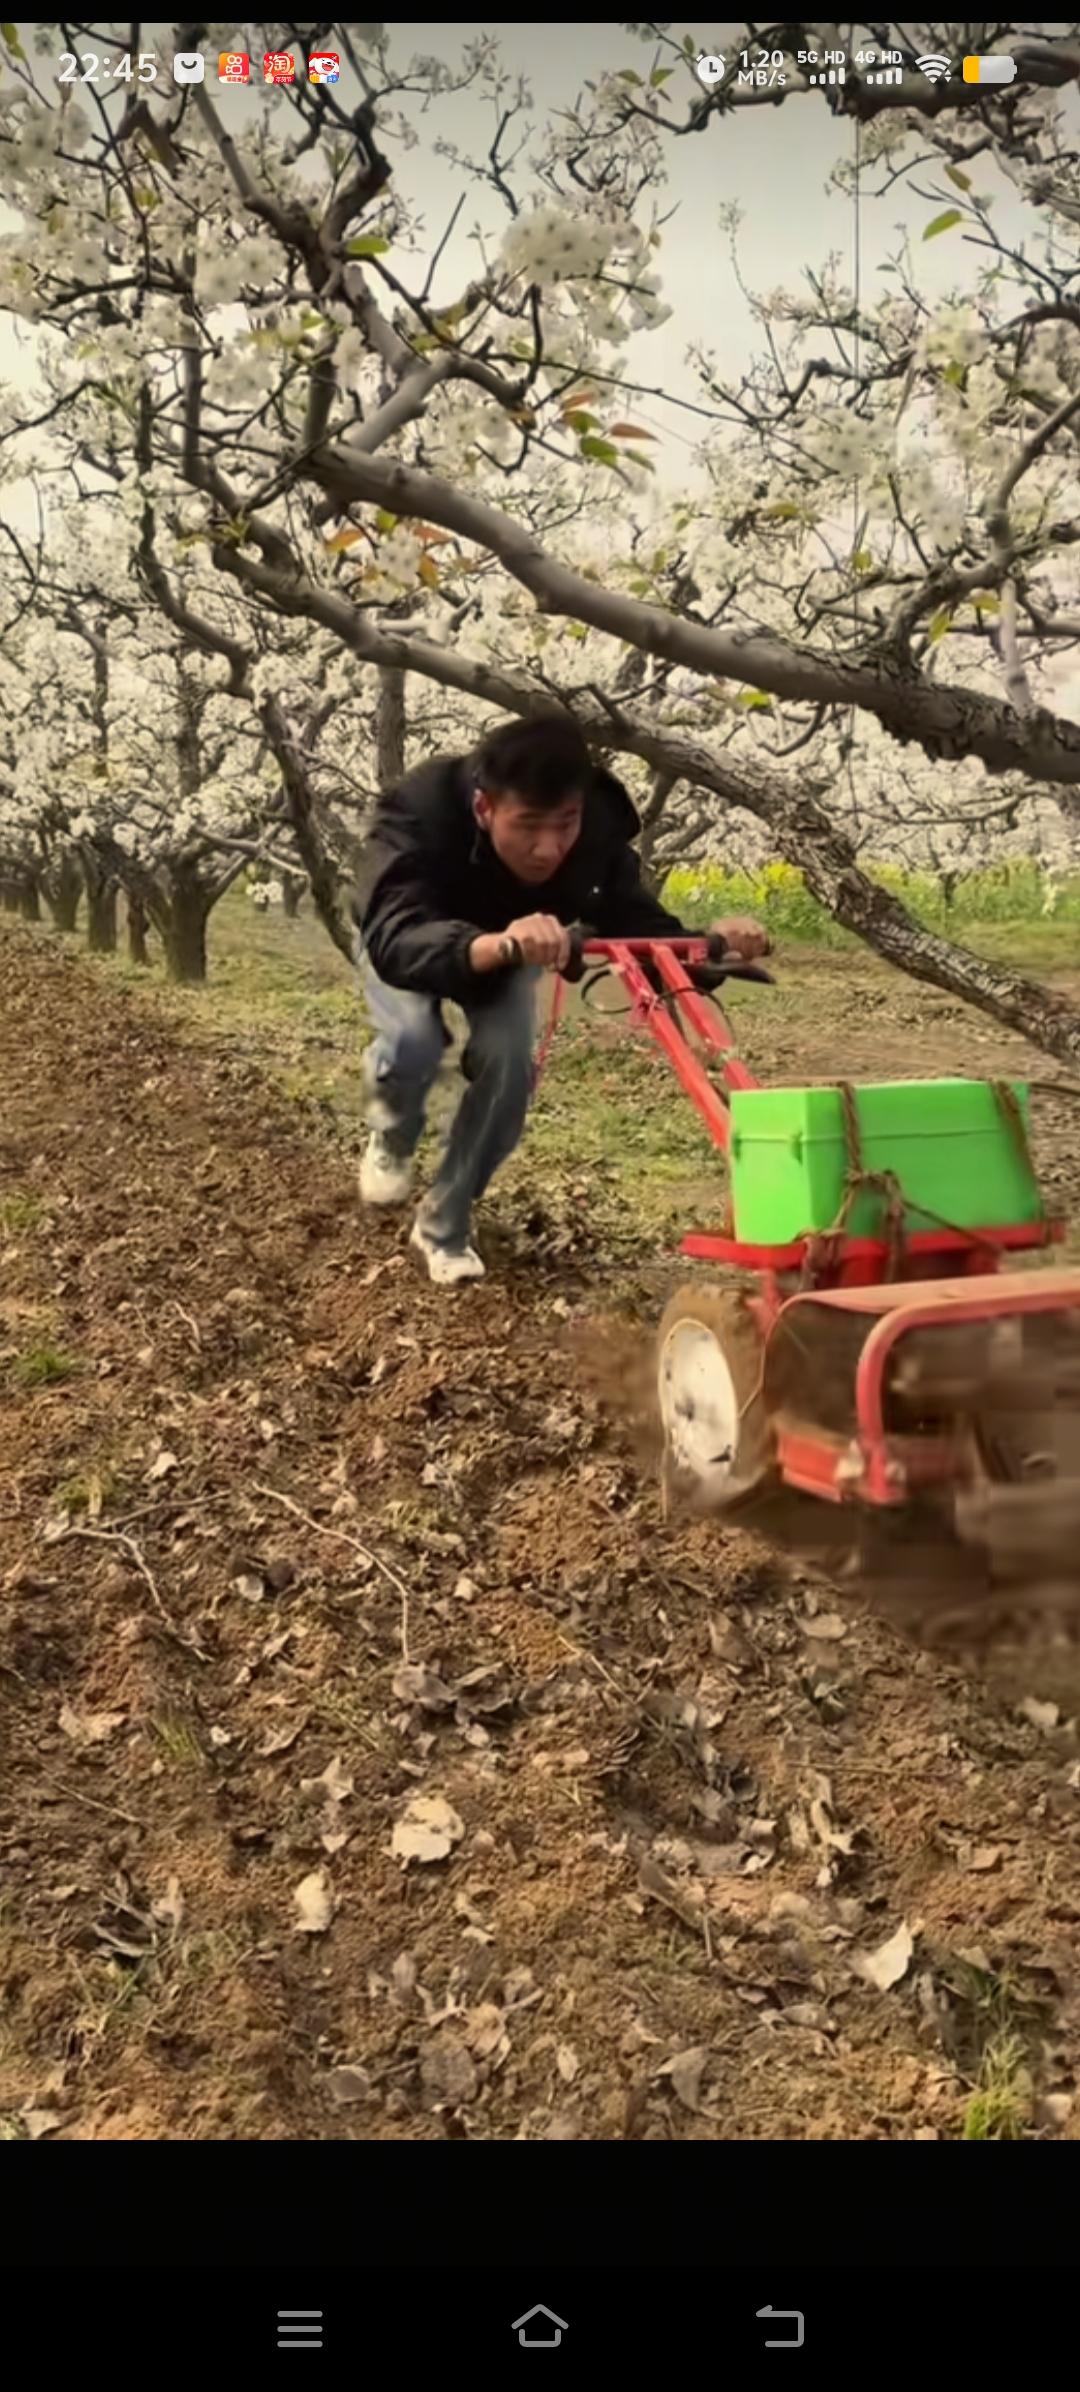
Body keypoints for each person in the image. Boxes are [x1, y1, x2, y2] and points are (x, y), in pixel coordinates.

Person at [353, 713, 768, 1285]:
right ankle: (392, 1135)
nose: (548, 848)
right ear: (484, 809)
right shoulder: (421, 810)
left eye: (564, 824)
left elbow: (633, 920)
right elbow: (395, 937)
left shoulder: (594, 828)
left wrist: (709, 946)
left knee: (508, 1070)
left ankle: (443, 1223)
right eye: (527, 826)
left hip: (517, 946)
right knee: (415, 1041)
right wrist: (492, 943)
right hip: (415, 939)